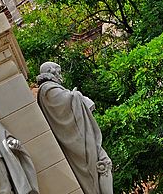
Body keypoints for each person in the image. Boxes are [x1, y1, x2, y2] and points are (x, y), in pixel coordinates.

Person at [36, 62, 113, 194]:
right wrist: (77, 96)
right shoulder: (47, 89)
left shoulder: (50, 88)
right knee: (103, 164)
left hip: (79, 135)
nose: (60, 76)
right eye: (58, 72)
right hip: (78, 139)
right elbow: (64, 106)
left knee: (103, 164)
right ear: (50, 72)